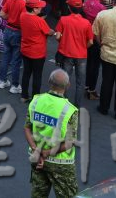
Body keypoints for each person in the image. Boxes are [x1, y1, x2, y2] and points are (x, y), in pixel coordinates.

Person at [24, 69, 80, 198]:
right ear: (68, 86)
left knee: (38, 194)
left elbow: (27, 128)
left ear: (49, 82)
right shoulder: (70, 110)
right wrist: (47, 153)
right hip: (61, 162)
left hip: (36, 157)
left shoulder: (36, 101)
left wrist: (36, 149)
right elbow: (69, 142)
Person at [54, 0, 93, 107]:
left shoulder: (63, 20)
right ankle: (77, 106)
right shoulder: (86, 23)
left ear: (69, 8)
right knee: (80, 83)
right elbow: (90, 42)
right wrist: (82, 47)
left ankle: (63, 104)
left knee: (65, 80)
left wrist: (64, 41)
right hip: (81, 56)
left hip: (67, 54)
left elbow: (57, 36)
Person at [0, 0, 30, 95]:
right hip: (18, 32)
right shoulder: (25, 4)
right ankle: (15, 85)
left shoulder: (10, 0)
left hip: (8, 30)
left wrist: (10, 17)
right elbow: (25, 20)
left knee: (6, 56)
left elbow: (1, 14)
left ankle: (2, 81)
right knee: (16, 61)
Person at [19, 0, 51, 103]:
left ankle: (24, 96)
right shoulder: (39, 21)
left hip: (25, 50)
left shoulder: (23, 15)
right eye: (39, 7)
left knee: (26, 73)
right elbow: (48, 32)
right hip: (37, 52)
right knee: (37, 75)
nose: (41, 8)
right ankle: (35, 98)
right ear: (34, 9)